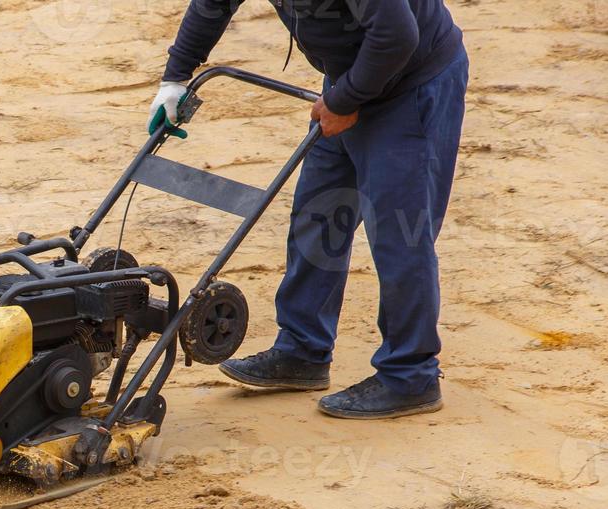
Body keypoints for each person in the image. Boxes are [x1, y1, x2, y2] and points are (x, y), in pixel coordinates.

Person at [151, 0, 468, 419]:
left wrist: (345, 100)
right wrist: (175, 78)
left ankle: (410, 376)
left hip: (411, 85)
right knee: (317, 217)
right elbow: (213, 4)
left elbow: (397, 36)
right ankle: (303, 351)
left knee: (400, 235)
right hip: (352, 77)